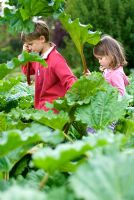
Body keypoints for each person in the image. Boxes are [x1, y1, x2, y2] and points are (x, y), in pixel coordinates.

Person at [21, 19, 77, 111]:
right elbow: (27, 71)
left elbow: (69, 80)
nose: (29, 48)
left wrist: (77, 98)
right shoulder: (37, 58)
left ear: (42, 39)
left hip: (54, 113)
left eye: (30, 44)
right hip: (41, 109)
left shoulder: (56, 59)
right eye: (27, 45)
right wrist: (25, 54)